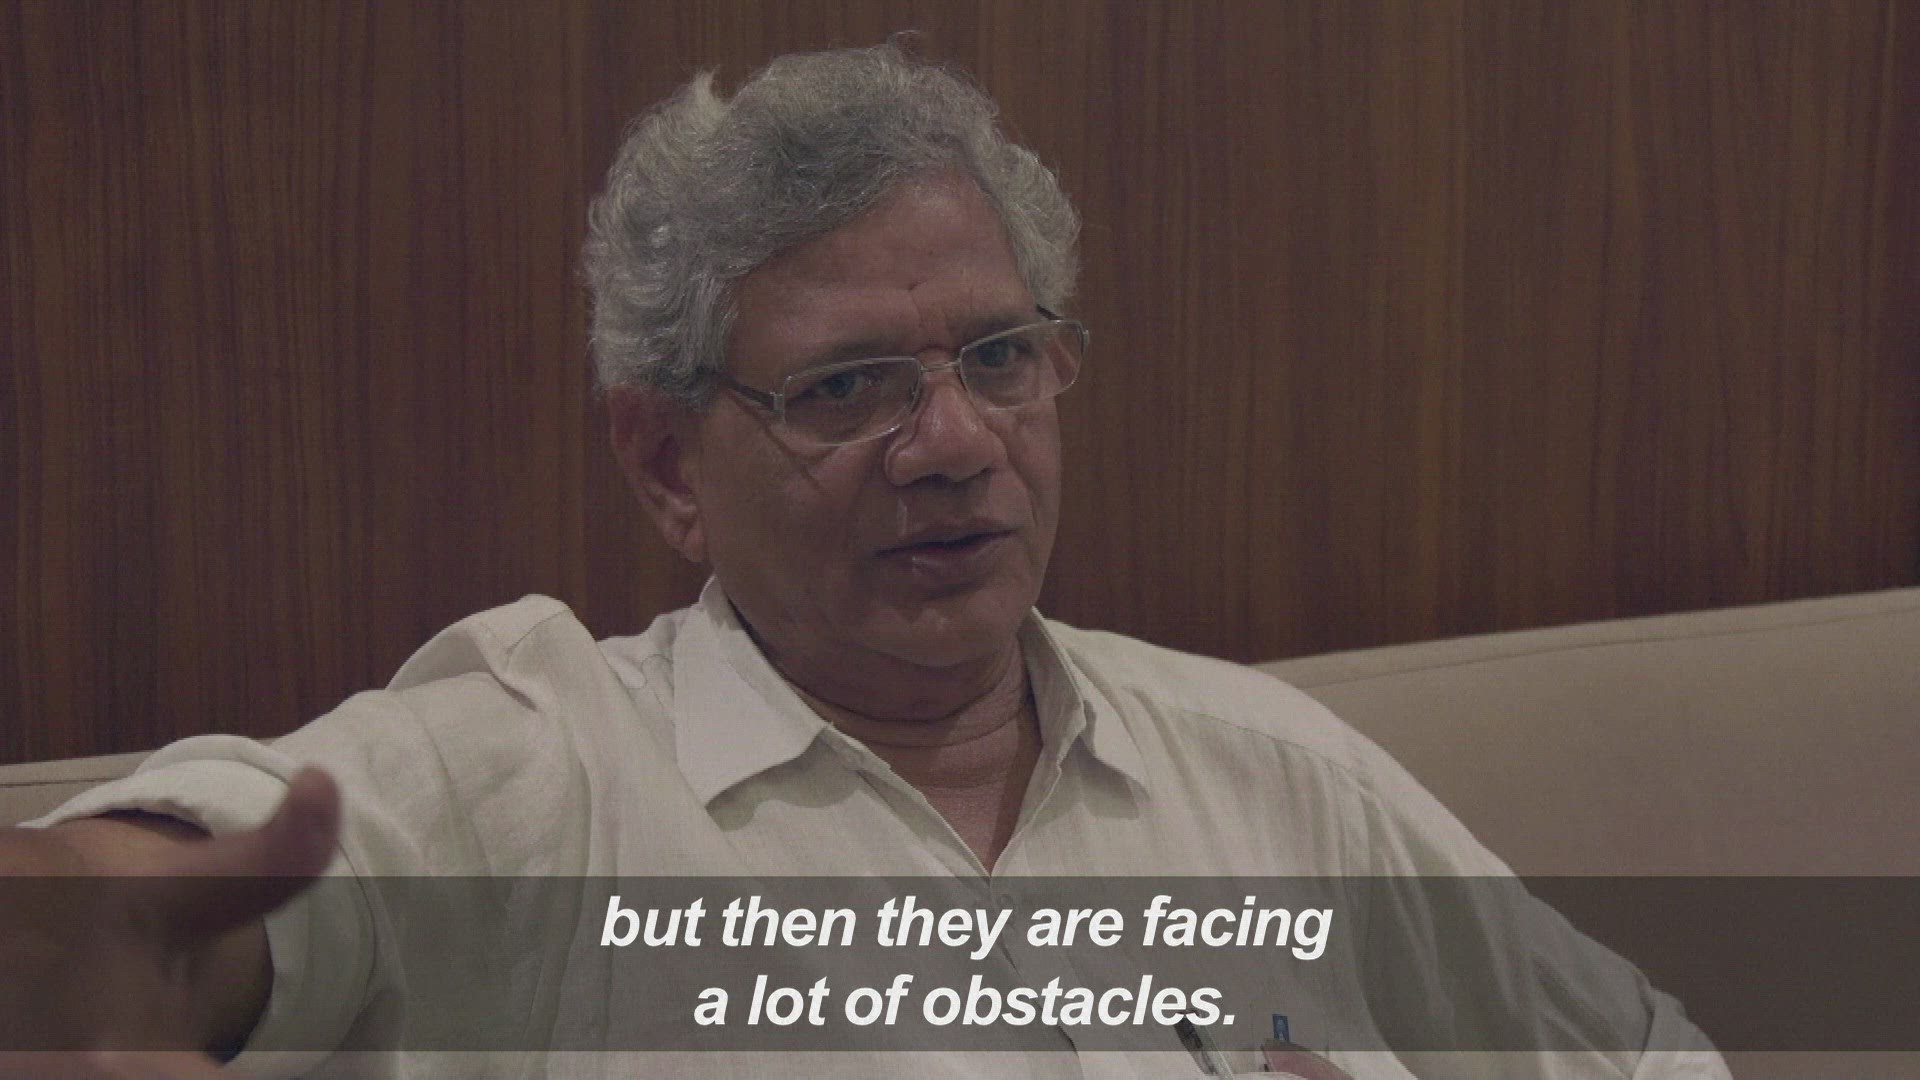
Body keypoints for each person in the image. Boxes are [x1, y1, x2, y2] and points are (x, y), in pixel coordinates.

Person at [1, 43, 1729, 1080]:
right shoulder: (548, 772)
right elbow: (173, 880)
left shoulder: (1270, 772)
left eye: (999, 356)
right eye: (847, 388)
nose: (956, 439)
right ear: (668, 465)